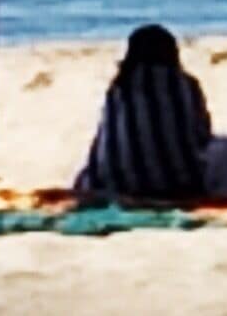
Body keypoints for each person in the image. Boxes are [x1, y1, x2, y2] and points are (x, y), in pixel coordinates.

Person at [75, 24, 211, 202]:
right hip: (180, 183)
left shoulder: (119, 87)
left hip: (119, 185)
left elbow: (104, 141)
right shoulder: (185, 84)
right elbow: (202, 134)